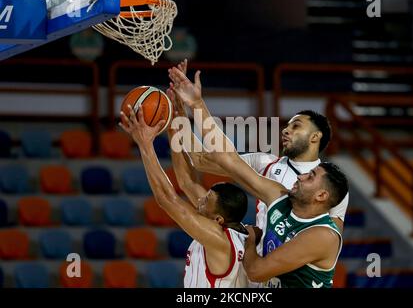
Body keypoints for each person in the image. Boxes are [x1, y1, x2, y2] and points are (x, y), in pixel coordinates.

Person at [168, 67, 348, 288]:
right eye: (287, 125)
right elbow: (210, 159)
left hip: (268, 266)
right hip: (258, 269)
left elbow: (326, 247)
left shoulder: (329, 197)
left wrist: (257, 242)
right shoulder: (270, 171)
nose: (285, 130)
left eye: (296, 126)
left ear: (315, 136)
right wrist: (188, 113)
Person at [119, 66, 250, 288]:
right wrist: (175, 120)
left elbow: (166, 199)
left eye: (206, 200)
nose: (199, 199)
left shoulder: (219, 240)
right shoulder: (223, 224)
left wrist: (145, 145)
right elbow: (187, 182)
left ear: (219, 220)